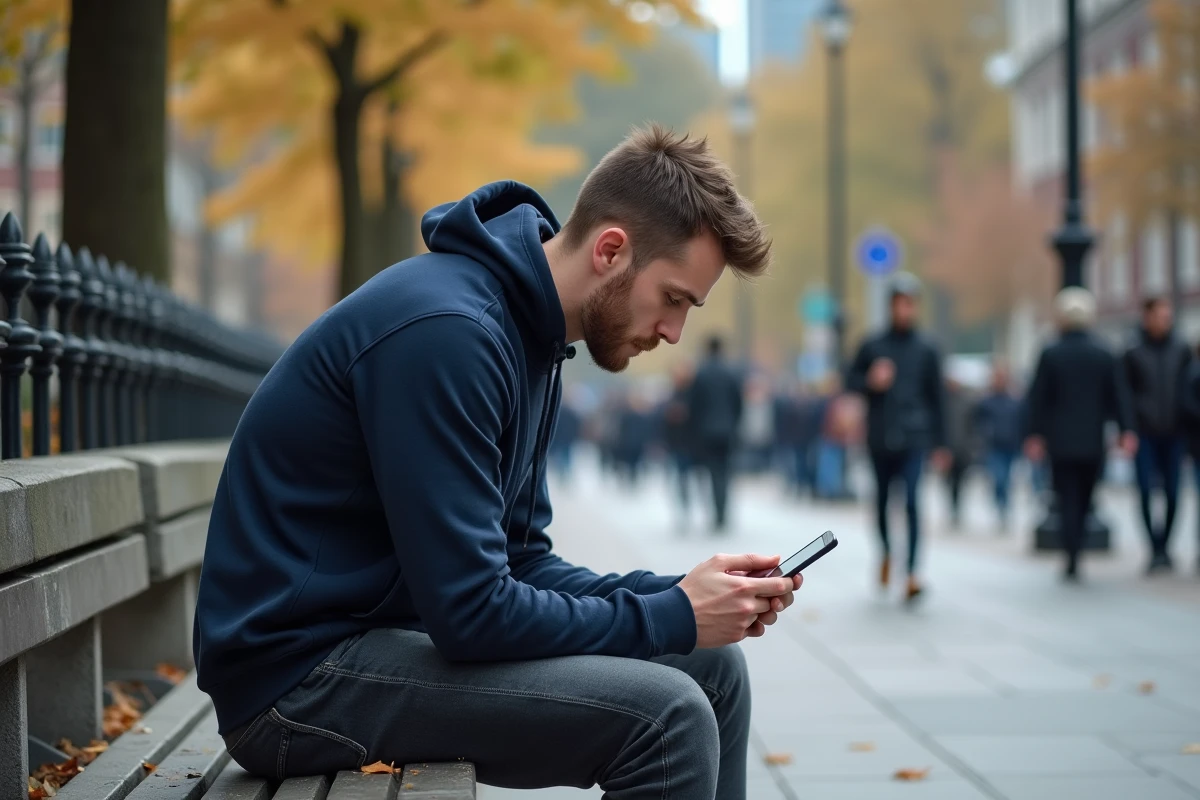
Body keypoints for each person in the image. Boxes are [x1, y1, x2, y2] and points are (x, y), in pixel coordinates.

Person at [194, 126, 796, 799]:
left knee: (714, 667)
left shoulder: (528, 335)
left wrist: (685, 594)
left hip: (377, 643)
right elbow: (473, 615)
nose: (675, 331)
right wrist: (672, 614)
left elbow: (521, 562)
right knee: (667, 717)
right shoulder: (451, 335)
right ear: (611, 251)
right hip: (295, 682)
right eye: (674, 298)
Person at [846, 272, 949, 602]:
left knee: (912, 502)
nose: (905, 310)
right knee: (880, 502)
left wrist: (942, 443)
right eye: (899, 303)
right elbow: (849, 380)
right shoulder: (873, 345)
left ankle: (913, 573)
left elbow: (938, 399)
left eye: (910, 304)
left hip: (915, 437)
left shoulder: (927, 348)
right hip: (879, 437)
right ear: (891, 306)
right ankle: (887, 552)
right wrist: (870, 381)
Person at [1025, 288, 1136, 582]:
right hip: (1091, 440)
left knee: (1066, 497)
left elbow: (1038, 398)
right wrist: (1126, 430)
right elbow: (1118, 395)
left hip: (1060, 441)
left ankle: (1071, 552)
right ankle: (1076, 549)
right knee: (1085, 497)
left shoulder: (1051, 353)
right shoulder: (1103, 353)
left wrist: (1035, 435)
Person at [1121, 297, 1191, 574]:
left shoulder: (1181, 349)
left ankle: (1165, 547)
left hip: (1175, 433)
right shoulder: (1133, 351)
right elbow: (1125, 395)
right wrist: (1128, 429)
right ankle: (1153, 548)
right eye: (1160, 315)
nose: (1165, 320)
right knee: (1145, 492)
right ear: (1147, 317)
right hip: (1144, 434)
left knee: (1174, 492)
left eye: (1168, 315)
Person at [687, 335, 745, 532]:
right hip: (727, 431)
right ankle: (723, 512)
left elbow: (694, 405)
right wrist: (734, 424)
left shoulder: (701, 373)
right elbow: (739, 403)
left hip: (706, 432)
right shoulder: (731, 372)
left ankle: (717, 513)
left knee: (712, 473)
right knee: (725, 473)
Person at [974, 364, 1023, 530]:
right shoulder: (986, 401)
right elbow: (977, 423)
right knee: (999, 479)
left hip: (1010, 445)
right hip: (993, 446)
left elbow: (1020, 422)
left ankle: (1005, 508)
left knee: (1007, 480)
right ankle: (1001, 507)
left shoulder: (1014, 400)